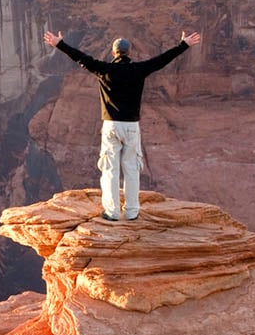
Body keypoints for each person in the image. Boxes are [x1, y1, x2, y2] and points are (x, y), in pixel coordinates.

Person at [43, 28, 202, 221]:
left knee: (110, 169)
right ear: (129, 53)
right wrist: (183, 44)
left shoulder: (104, 69)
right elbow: (162, 60)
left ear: (113, 53)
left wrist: (59, 44)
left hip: (111, 126)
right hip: (131, 127)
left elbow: (81, 58)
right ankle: (132, 211)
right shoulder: (139, 70)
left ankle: (111, 212)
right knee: (132, 169)